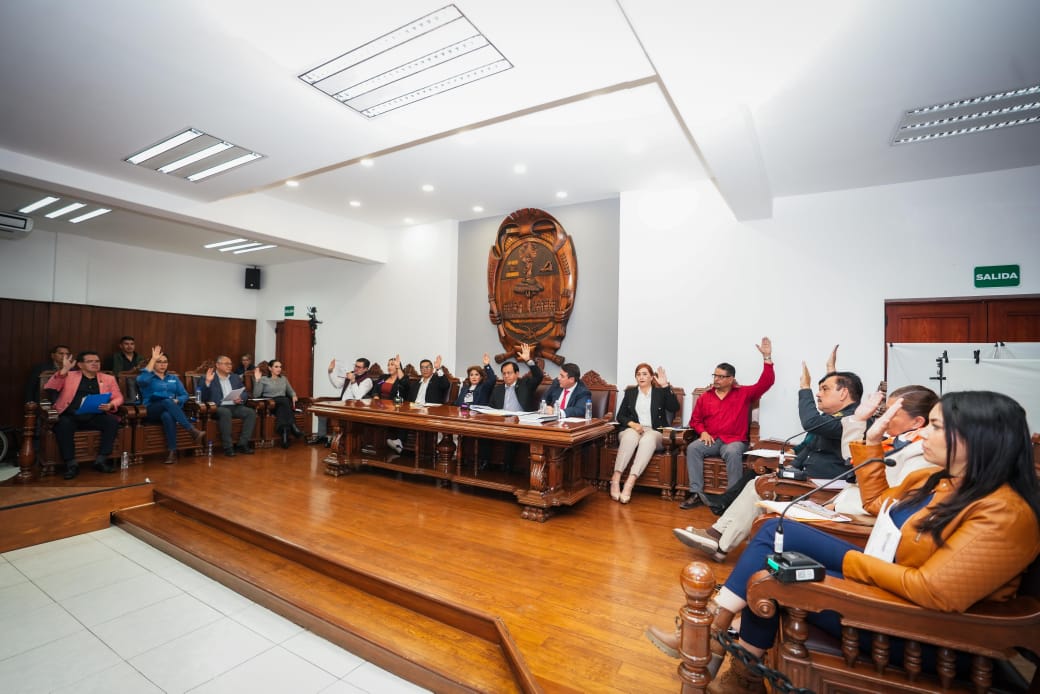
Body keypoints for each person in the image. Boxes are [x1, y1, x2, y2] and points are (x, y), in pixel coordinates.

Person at [649, 390, 1040, 693]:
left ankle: (712, 640)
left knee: (773, 568)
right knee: (773, 538)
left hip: (916, 626)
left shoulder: (1004, 512)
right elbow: (874, 502)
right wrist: (871, 436)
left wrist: (851, 563)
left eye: (936, 427)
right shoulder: (936, 481)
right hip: (886, 577)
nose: (923, 435)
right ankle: (730, 655)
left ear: (979, 439)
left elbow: (935, 592)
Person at [672, 367, 862, 562]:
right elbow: (810, 447)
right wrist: (790, 466)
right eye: (818, 389)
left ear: (844, 393)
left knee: (756, 481)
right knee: (753, 479)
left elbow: (810, 423)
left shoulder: (853, 419)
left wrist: (802, 386)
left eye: (824, 389)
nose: (818, 393)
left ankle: (719, 540)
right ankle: (717, 536)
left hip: (821, 487)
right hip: (806, 478)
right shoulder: (835, 418)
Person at [680, 337, 775, 510]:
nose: (716, 379)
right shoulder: (705, 397)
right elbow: (695, 420)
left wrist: (767, 358)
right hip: (712, 439)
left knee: (732, 452)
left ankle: (732, 499)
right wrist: (702, 432)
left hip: (735, 440)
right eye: (715, 375)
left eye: (721, 377)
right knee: (693, 447)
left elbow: (765, 383)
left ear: (731, 379)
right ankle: (696, 494)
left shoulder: (744, 393)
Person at [44, 350, 124, 479]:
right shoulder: (68, 375)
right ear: (80, 365)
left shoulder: (108, 378)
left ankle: (101, 460)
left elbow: (118, 397)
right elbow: (50, 387)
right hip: (70, 415)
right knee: (63, 424)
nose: (95, 364)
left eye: (97, 361)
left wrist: (111, 405)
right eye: (90, 361)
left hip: (94, 414)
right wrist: (64, 370)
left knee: (112, 422)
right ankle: (71, 464)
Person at [610, 363, 679, 504]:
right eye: (638, 374)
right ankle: (615, 480)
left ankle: (630, 482)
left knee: (647, 439)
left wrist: (665, 386)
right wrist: (633, 424)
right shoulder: (630, 393)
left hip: (655, 431)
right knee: (629, 437)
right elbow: (621, 416)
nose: (641, 377)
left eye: (645, 374)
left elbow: (674, 407)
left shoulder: (660, 393)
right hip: (634, 429)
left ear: (651, 376)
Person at [137, 345, 206, 463]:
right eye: (159, 362)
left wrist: (178, 400)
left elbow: (185, 395)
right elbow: (141, 381)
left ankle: (172, 453)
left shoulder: (173, 378)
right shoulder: (148, 377)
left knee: (167, 415)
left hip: (170, 410)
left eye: (165, 362)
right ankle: (191, 430)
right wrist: (153, 359)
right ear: (153, 363)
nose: (163, 365)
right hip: (151, 410)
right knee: (166, 401)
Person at [489, 343, 544, 472]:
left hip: (521, 421)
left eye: (509, 373)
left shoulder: (525, 384)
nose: (506, 376)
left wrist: (528, 360)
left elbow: (538, 376)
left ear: (517, 374)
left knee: (510, 436)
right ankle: (485, 465)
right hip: (501, 421)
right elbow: (491, 408)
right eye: (504, 374)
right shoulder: (498, 389)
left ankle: (507, 469)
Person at [202, 355, 256, 457]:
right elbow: (203, 397)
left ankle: (242, 444)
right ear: (217, 365)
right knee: (225, 412)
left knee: (250, 412)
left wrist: (241, 398)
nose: (229, 366)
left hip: (234, 405)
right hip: (217, 408)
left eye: (230, 364)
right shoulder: (208, 377)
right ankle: (228, 447)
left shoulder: (235, 377)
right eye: (226, 364)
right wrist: (207, 383)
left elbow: (244, 392)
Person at [253, 359, 302, 449]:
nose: (279, 369)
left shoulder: (283, 378)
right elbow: (256, 395)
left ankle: (285, 435)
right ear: (270, 368)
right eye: (276, 367)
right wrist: (257, 380)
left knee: (283, 405)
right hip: (271, 404)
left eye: (280, 367)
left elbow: (290, 391)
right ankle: (293, 426)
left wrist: (294, 395)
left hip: (282, 405)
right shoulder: (264, 379)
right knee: (285, 401)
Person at [372, 355, 409, 453]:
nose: (389, 367)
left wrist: (398, 368)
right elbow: (376, 388)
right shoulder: (383, 378)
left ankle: (397, 442)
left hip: (394, 407)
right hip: (379, 406)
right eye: (388, 365)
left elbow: (404, 383)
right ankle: (372, 445)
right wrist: (376, 397)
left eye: (392, 364)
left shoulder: (401, 380)